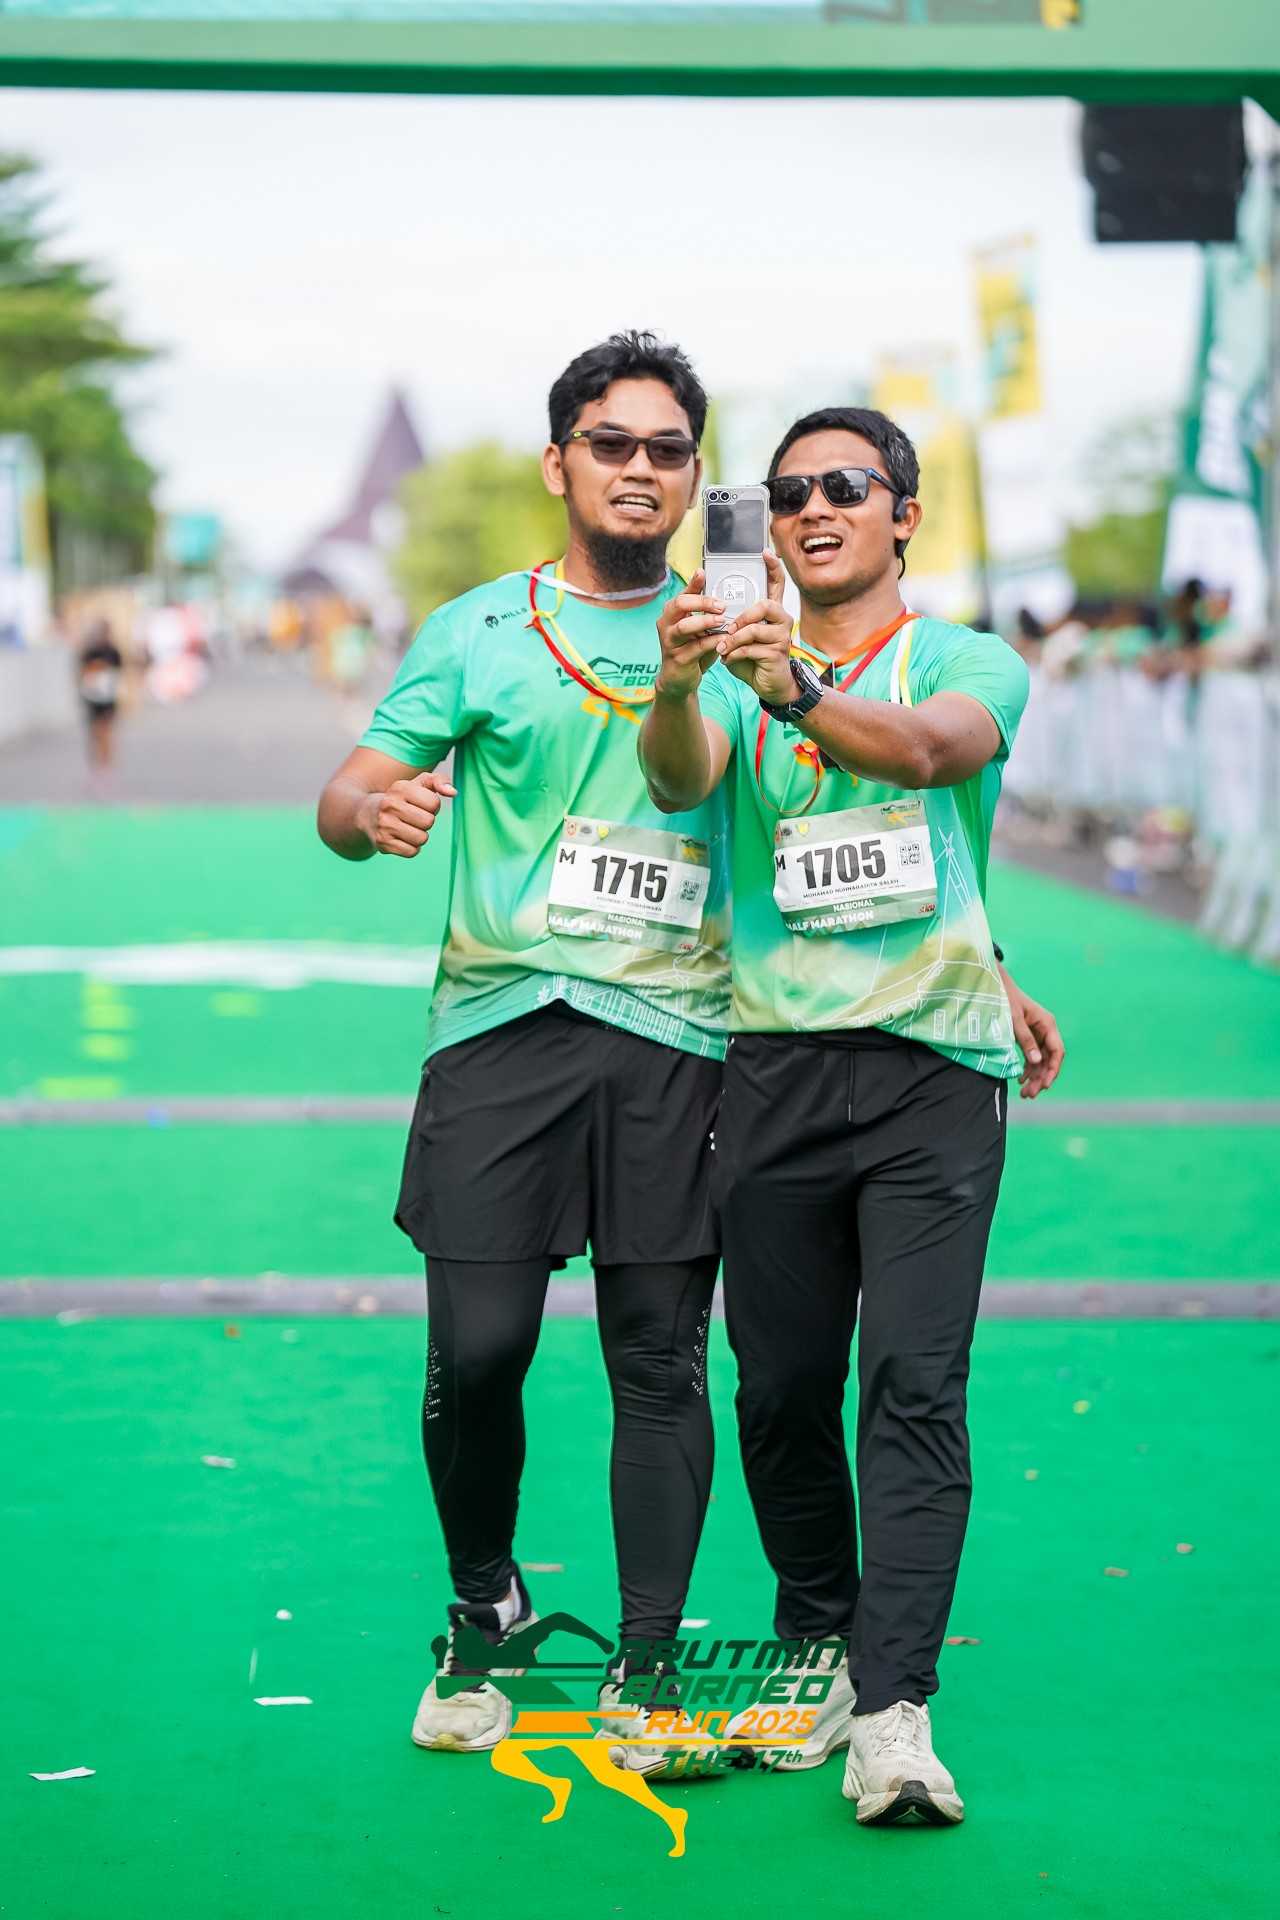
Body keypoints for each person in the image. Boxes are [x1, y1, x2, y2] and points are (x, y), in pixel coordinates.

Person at [640, 405, 1059, 1824]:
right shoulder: (736, 662)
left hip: (934, 1068)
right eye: (788, 491)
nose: (814, 508)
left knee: (915, 1385)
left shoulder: (965, 658)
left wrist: (797, 691)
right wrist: (681, 686)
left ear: (902, 515)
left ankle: (894, 1710)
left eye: (845, 485)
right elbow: (678, 784)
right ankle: (819, 1648)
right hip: (771, 1066)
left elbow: (931, 758)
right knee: (776, 1390)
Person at [317, 332, 729, 1773]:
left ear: (693, 473)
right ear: (560, 464)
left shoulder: (736, 631)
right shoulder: (478, 629)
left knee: (657, 1362)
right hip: (499, 1031)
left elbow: (751, 789)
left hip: (679, 1036)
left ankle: (650, 1661)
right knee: (478, 1353)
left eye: (666, 448)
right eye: (611, 443)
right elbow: (347, 791)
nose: (638, 468)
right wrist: (369, 814)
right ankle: (483, 1603)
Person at [77, 619, 125, 783]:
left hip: (108, 698)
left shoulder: (113, 652)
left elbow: (118, 673)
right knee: (95, 733)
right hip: (93, 698)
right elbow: (82, 673)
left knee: (107, 733)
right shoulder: (90, 652)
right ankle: (97, 766)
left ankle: (107, 766)